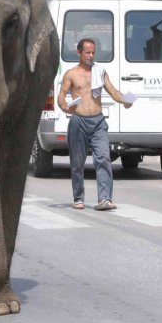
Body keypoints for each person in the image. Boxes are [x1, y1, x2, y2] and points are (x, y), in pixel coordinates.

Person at [57, 38, 134, 211]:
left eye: (93, 52)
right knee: (77, 162)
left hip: (98, 122)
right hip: (79, 121)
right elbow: (61, 95)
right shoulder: (71, 74)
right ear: (79, 53)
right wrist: (64, 107)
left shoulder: (100, 71)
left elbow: (113, 91)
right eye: (87, 52)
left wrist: (125, 101)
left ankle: (105, 198)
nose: (91, 56)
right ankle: (78, 197)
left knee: (104, 159)